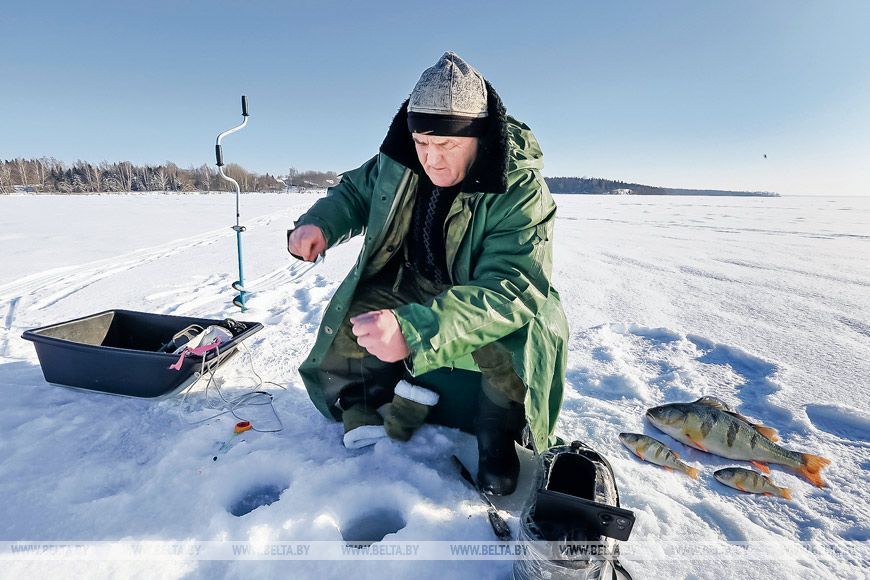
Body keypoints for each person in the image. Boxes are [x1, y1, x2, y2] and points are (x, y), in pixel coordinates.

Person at [288, 52, 568, 496]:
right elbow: (356, 193)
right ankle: (363, 405)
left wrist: (416, 331)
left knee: (515, 344)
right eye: (423, 143)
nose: (432, 160)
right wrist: (319, 223)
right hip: (417, 278)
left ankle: (495, 434)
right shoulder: (401, 157)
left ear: (478, 137)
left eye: (448, 147)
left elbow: (511, 287)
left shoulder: (519, 187)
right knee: (354, 316)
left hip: (484, 295)